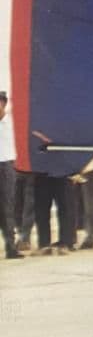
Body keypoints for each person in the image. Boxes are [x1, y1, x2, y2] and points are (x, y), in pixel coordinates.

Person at [0, 91, 20, 259]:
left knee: (7, 208)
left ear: (4, 103)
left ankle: (10, 247)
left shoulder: (13, 122)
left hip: (7, 166)